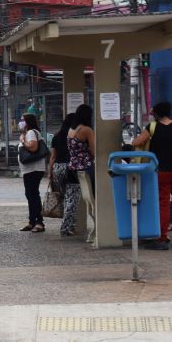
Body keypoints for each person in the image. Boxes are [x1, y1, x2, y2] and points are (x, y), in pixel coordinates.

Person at [133, 101, 172, 250]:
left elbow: (136, 142)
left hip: (163, 171)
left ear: (156, 113)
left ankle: (162, 238)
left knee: (163, 203)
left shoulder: (152, 126)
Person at [47, 113, 82, 238]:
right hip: (70, 168)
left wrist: (50, 173)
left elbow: (53, 157)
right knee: (71, 199)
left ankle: (70, 226)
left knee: (65, 198)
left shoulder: (56, 136)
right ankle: (66, 228)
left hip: (58, 168)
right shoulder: (75, 135)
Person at [68, 103, 96, 244]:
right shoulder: (86, 130)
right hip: (87, 166)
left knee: (88, 199)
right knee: (99, 196)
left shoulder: (71, 130)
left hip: (75, 168)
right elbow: (93, 150)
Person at [18, 113, 45, 233]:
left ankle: (39, 222)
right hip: (30, 169)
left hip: (33, 169)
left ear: (28, 121)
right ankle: (32, 221)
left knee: (33, 195)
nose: (20, 122)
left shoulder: (30, 133)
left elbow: (33, 147)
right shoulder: (30, 132)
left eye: (22, 120)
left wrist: (23, 141)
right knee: (30, 195)